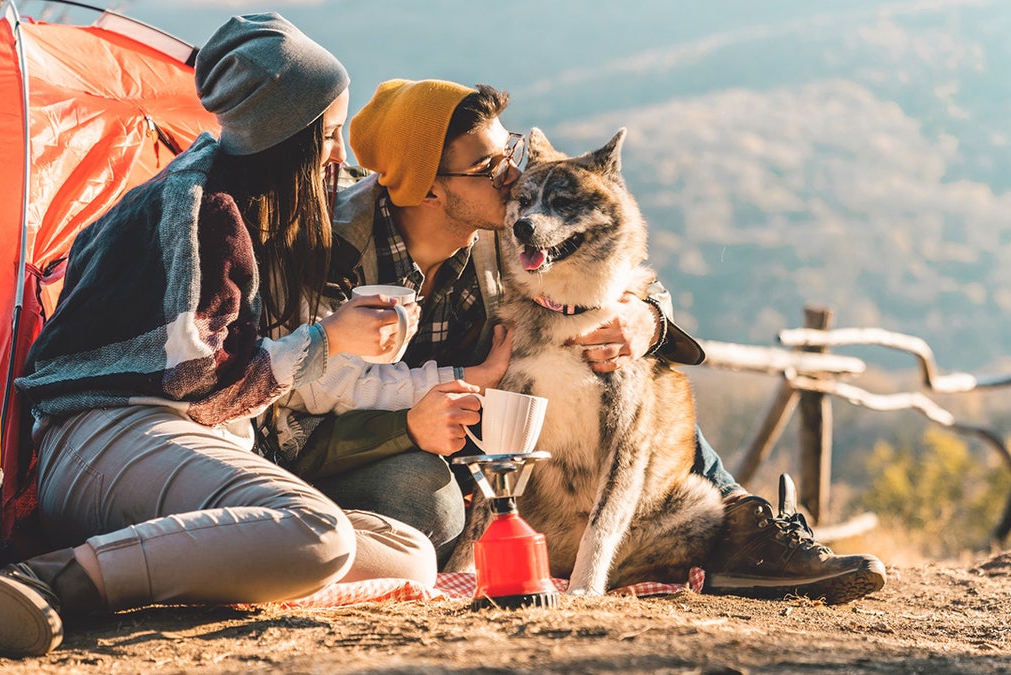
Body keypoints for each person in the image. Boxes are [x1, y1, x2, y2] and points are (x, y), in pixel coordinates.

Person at [0, 15, 438, 658]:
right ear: (288, 133)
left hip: (172, 442)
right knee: (319, 533)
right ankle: (40, 579)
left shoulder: (237, 199)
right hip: (104, 437)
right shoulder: (199, 210)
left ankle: (154, 566)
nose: (337, 156)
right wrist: (328, 341)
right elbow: (192, 378)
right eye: (330, 135)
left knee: (409, 554)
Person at [278, 79, 886, 604]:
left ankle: (746, 528)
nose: (516, 175)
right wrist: (406, 427)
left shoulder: (505, 227)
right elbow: (291, 410)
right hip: (362, 443)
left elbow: (614, 268)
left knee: (626, 376)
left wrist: (644, 319)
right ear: (429, 188)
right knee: (429, 507)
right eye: (490, 167)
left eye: (508, 151)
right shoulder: (331, 249)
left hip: (476, 425)